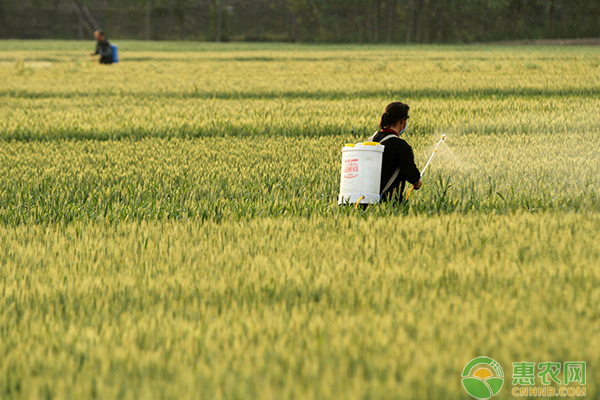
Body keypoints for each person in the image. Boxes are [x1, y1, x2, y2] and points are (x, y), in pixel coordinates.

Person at [369, 102, 422, 202]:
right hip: (390, 202)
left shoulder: (371, 140)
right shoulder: (401, 146)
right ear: (402, 120)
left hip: (367, 201)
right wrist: (417, 182)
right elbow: (411, 174)